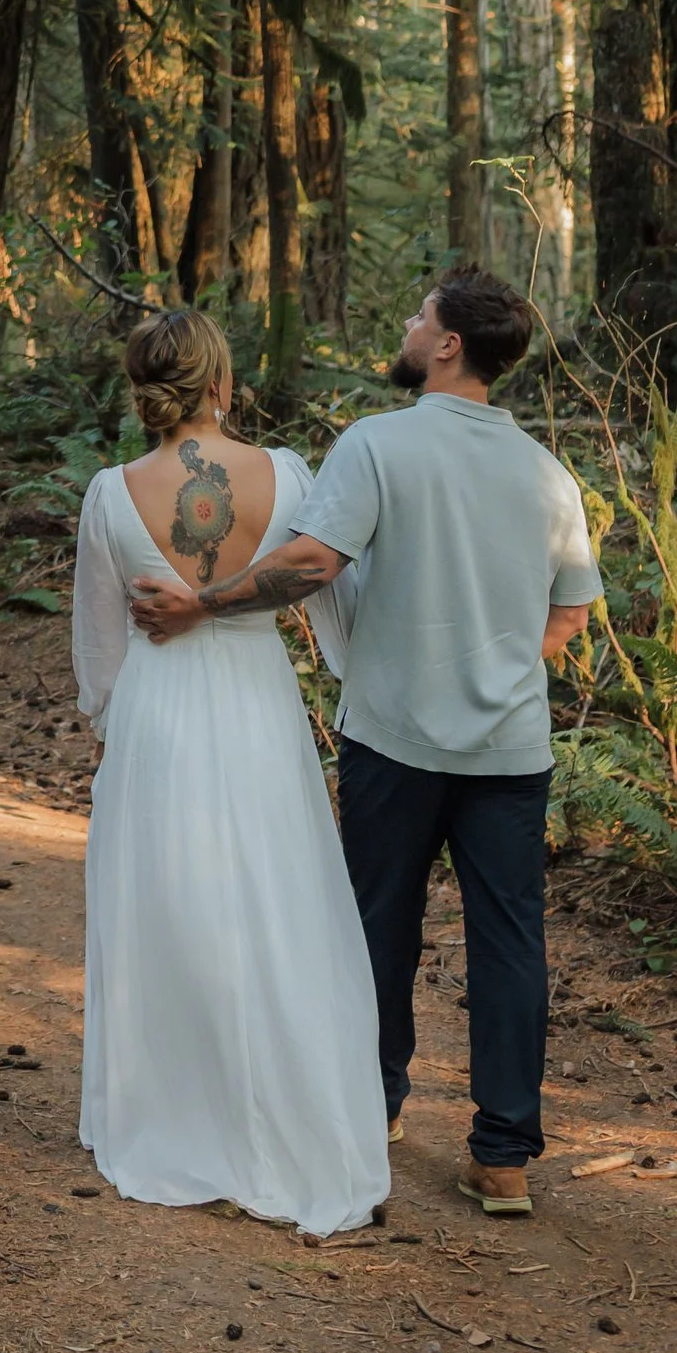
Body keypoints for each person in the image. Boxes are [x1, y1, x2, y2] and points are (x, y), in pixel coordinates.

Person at [131, 268, 601, 1217]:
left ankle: (372, 1108)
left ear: (449, 345)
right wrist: (507, 670)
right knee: (509, 941)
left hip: (394, 736)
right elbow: (574, 613)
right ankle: (503, 1156)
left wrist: (202, 603)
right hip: (511, 750)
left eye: (419, 314)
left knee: (376, 928)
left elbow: (310, 562)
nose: (407, 321)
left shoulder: (380, 445)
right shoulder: (548, 475)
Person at [73, 304, 391, 1235]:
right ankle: (287, 1114)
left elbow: (100, 648)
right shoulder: (287, 475)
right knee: (277, 901)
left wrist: (111, 732)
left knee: (170, 910)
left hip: (159, 714)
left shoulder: (108, 491)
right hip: (257, 709)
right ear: (221, 383)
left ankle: (175, 1114)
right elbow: (324, 592)